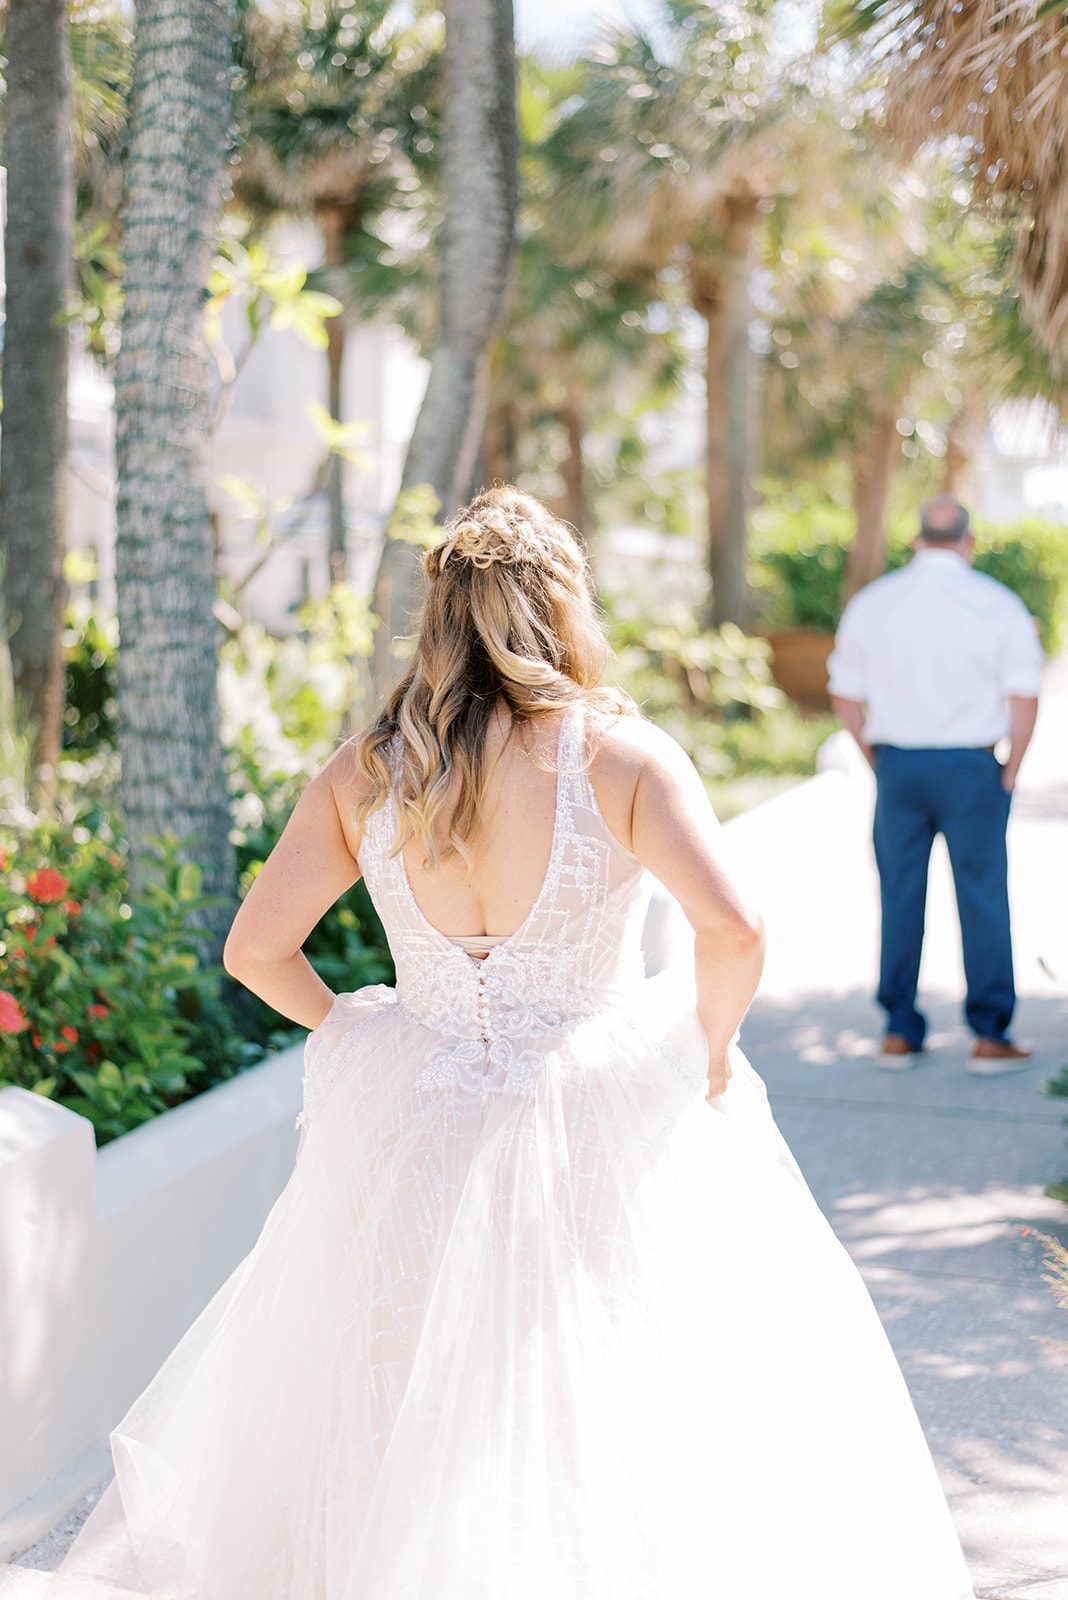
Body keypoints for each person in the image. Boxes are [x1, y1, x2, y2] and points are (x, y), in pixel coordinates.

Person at [32, 487, 975, 1600]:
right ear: (561, 604)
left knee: (402, 1396)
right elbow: (737, 929)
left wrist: (358, 1026)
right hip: (594, 1118)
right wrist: (706, 1052)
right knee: (602, 1388)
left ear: (438, 613)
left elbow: (255, 950)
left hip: (415, 1119)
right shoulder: (620, 756)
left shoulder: (373, 766)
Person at [828, 494, 1043, 1073]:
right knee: (982, 896)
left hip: (898, 765)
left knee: (899, 895)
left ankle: (899, 1029)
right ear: (968, 543)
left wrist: (875, 757)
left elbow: (845, 693)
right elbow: (1024, 695)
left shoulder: (875, 602)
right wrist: (1011, 768)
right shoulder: (997, 603)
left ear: (917, 542)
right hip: (973, 768)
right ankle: (989, 1035)